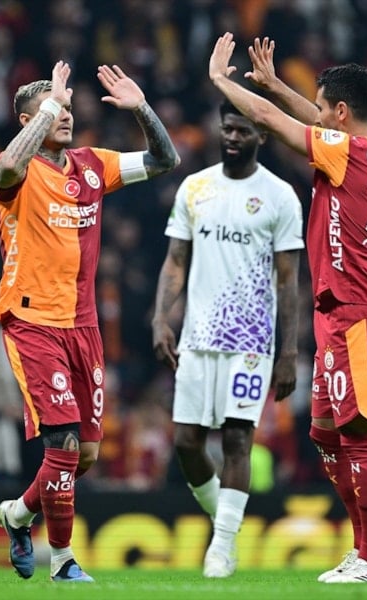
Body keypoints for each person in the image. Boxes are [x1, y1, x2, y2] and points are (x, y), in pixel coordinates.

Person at [208, 34, 367, 583]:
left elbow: (270, 122)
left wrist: (221, 80)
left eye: (321, 107)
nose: (314, 115)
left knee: (359, 434)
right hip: (339, 309)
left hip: (360, 310)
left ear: (341, 113)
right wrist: (274, 84)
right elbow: (304, 119)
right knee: (324, 433)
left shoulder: (346, 154)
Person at [0, 60, 179, 583]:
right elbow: (7, 168)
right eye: (55, 110)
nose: (67, 115)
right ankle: (63, 560)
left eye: (69, 107)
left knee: (85, 455)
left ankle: (18, 514)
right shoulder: (14, 171)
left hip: (85, 326)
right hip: (32, 320)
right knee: (64, 445)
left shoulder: (93, 165)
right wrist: (49, 103)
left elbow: (166, 159)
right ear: (29, 120)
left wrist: (142, 109)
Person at [151, 100, 304, 578]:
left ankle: (220, 548)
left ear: (262, 135)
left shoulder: (280, 196)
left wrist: (289, 351)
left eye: (242, 130)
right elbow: (175, 260)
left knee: (238, 438)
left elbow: (288, 281)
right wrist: (160, 318)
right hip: (198, 335)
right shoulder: (195, 187)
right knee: (186, 443)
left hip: (251, 339)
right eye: (227, 128)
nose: (233, 137)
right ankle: (228, 526)